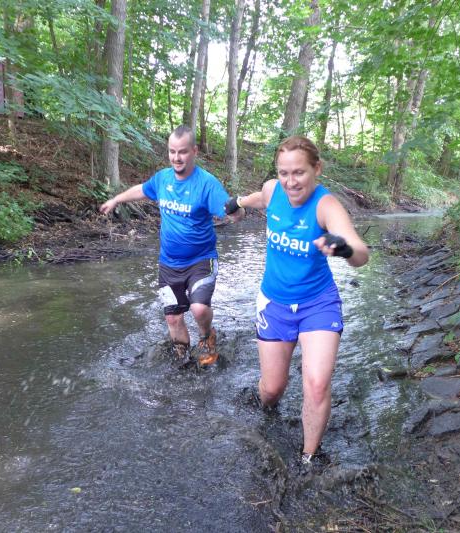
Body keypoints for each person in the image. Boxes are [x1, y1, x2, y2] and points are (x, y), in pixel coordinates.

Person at [225, 135, 369, 466]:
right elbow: (258, 198)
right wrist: (237, 203)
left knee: (316, 385)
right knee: (272, 389)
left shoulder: (326, 205)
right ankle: (264, 411)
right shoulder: (273, 190)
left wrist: (344, 248)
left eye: (299, 172)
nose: (291, 182)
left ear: (317, 169)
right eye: (284, 173)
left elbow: (362, 254)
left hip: (318, 304)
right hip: (274, 303)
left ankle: (308, 458)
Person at [100, 125, 244, 365]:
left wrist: (236, 211)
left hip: (201, 260)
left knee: (198, 309)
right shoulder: (163, 178)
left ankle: (207, 336)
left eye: (182, 152)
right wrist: (116, 199)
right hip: (168, 263)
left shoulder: (207, 184)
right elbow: (142, 190)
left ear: (194, 151)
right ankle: (182, 360)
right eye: (172, 151)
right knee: (173, 319)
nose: (176, 158)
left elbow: (233, 214)